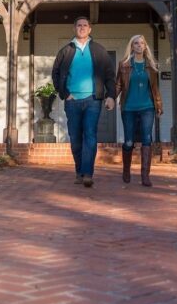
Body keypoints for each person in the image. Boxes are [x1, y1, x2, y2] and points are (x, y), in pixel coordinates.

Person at [51, 16, 116, 187]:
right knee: (75, 138)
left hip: (93, 99)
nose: (82, 27)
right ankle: (79, 171)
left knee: (90, 135)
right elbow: (56, 73)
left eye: (85, 25)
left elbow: (110, 75)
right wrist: (65, 93)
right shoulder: (66, 51)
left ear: (90, 29)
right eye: (79, 25)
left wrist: (111, 96)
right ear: (74, 28)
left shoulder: (99, 50)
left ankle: (87, 173)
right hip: (72, 101)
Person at [115, 34, 163, 187]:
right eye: (136, 43)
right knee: (129, 141)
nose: (139, 45)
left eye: (142, 43)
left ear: (145, 46)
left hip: (147, 107)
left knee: (147, 139)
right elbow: (118, 85)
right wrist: (110, 98)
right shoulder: (124, 65)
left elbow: (155, 88)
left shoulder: (151, 65)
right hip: (128, 108)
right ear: (132, 46)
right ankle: (126, 170)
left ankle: (145, 176)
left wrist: (159, 105)